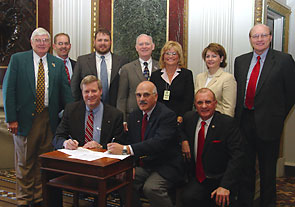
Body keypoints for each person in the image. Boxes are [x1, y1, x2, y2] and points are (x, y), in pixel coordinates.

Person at [2, 27, 73, 207]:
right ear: (31, 42)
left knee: (43, 160)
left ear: (50, 44)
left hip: (49, 119)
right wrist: (11, 119)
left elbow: (66, 94)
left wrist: (72, 116)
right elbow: (9, 90)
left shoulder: (56, 63)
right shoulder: (18, 60)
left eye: (45, 40)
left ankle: (39, 198)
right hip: (24, 120)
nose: (42, 43)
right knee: (25, 162)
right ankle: (24, 199)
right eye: (38, 40)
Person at [234, 24, 295, 207]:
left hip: (269, 124)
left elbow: (291, 93)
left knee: (268, 173)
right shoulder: (240, 61)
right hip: (244, 121)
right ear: (250, 39)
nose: (259, 39)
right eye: (255, 36)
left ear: (270, 37)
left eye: (263, 35)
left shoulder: (284, 60)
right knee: (245, 170)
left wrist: (277, 116)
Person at [107, 81, 184, 207]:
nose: (141, 99)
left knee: (151, 188)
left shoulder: (167, 115)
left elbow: (157, 144)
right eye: (138, 95)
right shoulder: (134, 115)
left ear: (156, 97)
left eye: (146, 95)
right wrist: (110, 146)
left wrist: (125, 149)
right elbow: (128, 139)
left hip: (166, 165)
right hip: (145, 165)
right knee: (122, 178)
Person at [180, 88, 244, 207]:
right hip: (199, 178)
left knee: (222, 202)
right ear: (195, 105)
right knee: (187, 198)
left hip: (221, 178)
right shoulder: (189, 118)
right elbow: (179, 130)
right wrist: (184, 140)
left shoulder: (227, 124)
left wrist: (225, 186)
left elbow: (237, 157)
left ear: (215, 103)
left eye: (208, 102)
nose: (204, 106)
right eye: (200, 103)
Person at [52, 75, 124, 150]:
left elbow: (120, 143)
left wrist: (101, 147)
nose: (90, 95)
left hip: (104, 158)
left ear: (101, 91)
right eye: (86, 91)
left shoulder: (115, 115)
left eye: (94, 91)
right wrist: (65, 143)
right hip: (76, 158)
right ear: (82, 93)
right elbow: (57, 138)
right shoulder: (71, 111)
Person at [71, 28, 128, 106]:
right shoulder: (82, 61)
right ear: (94, 42)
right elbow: (74, 88)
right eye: (99, 40)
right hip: (88, 109)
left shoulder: (122, 62)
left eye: (106, 40)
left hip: (114, 110)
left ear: (111, 42)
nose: (103, 43)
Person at [117, 34, 159, 131]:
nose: (144, 47)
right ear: (136, 47)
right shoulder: (126, 69)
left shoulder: (160, 67)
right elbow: (121, 97)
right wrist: (122, 120)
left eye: (147, 44)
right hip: (132, 116)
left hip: (155, 117)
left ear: (153, 46)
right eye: (141, 44)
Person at [150, 41, 194, 124]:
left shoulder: (186, 74)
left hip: (179, 120)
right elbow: (152, 99)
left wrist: (181, 116)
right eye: (167, 53)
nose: (170, 56)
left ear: (179, 56)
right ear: (163, 56)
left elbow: (188, 99)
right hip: (159, 119)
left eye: (174, 53)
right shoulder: (155, 76)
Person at [195, 43, 237, 117]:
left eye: (214, 56)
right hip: (200, 119)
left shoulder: (227, 78)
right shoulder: (199, 77)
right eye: (207, 56)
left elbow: (229, 107)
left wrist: (226, 124)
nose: (210, 59)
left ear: (221, 59)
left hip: (218, 121)